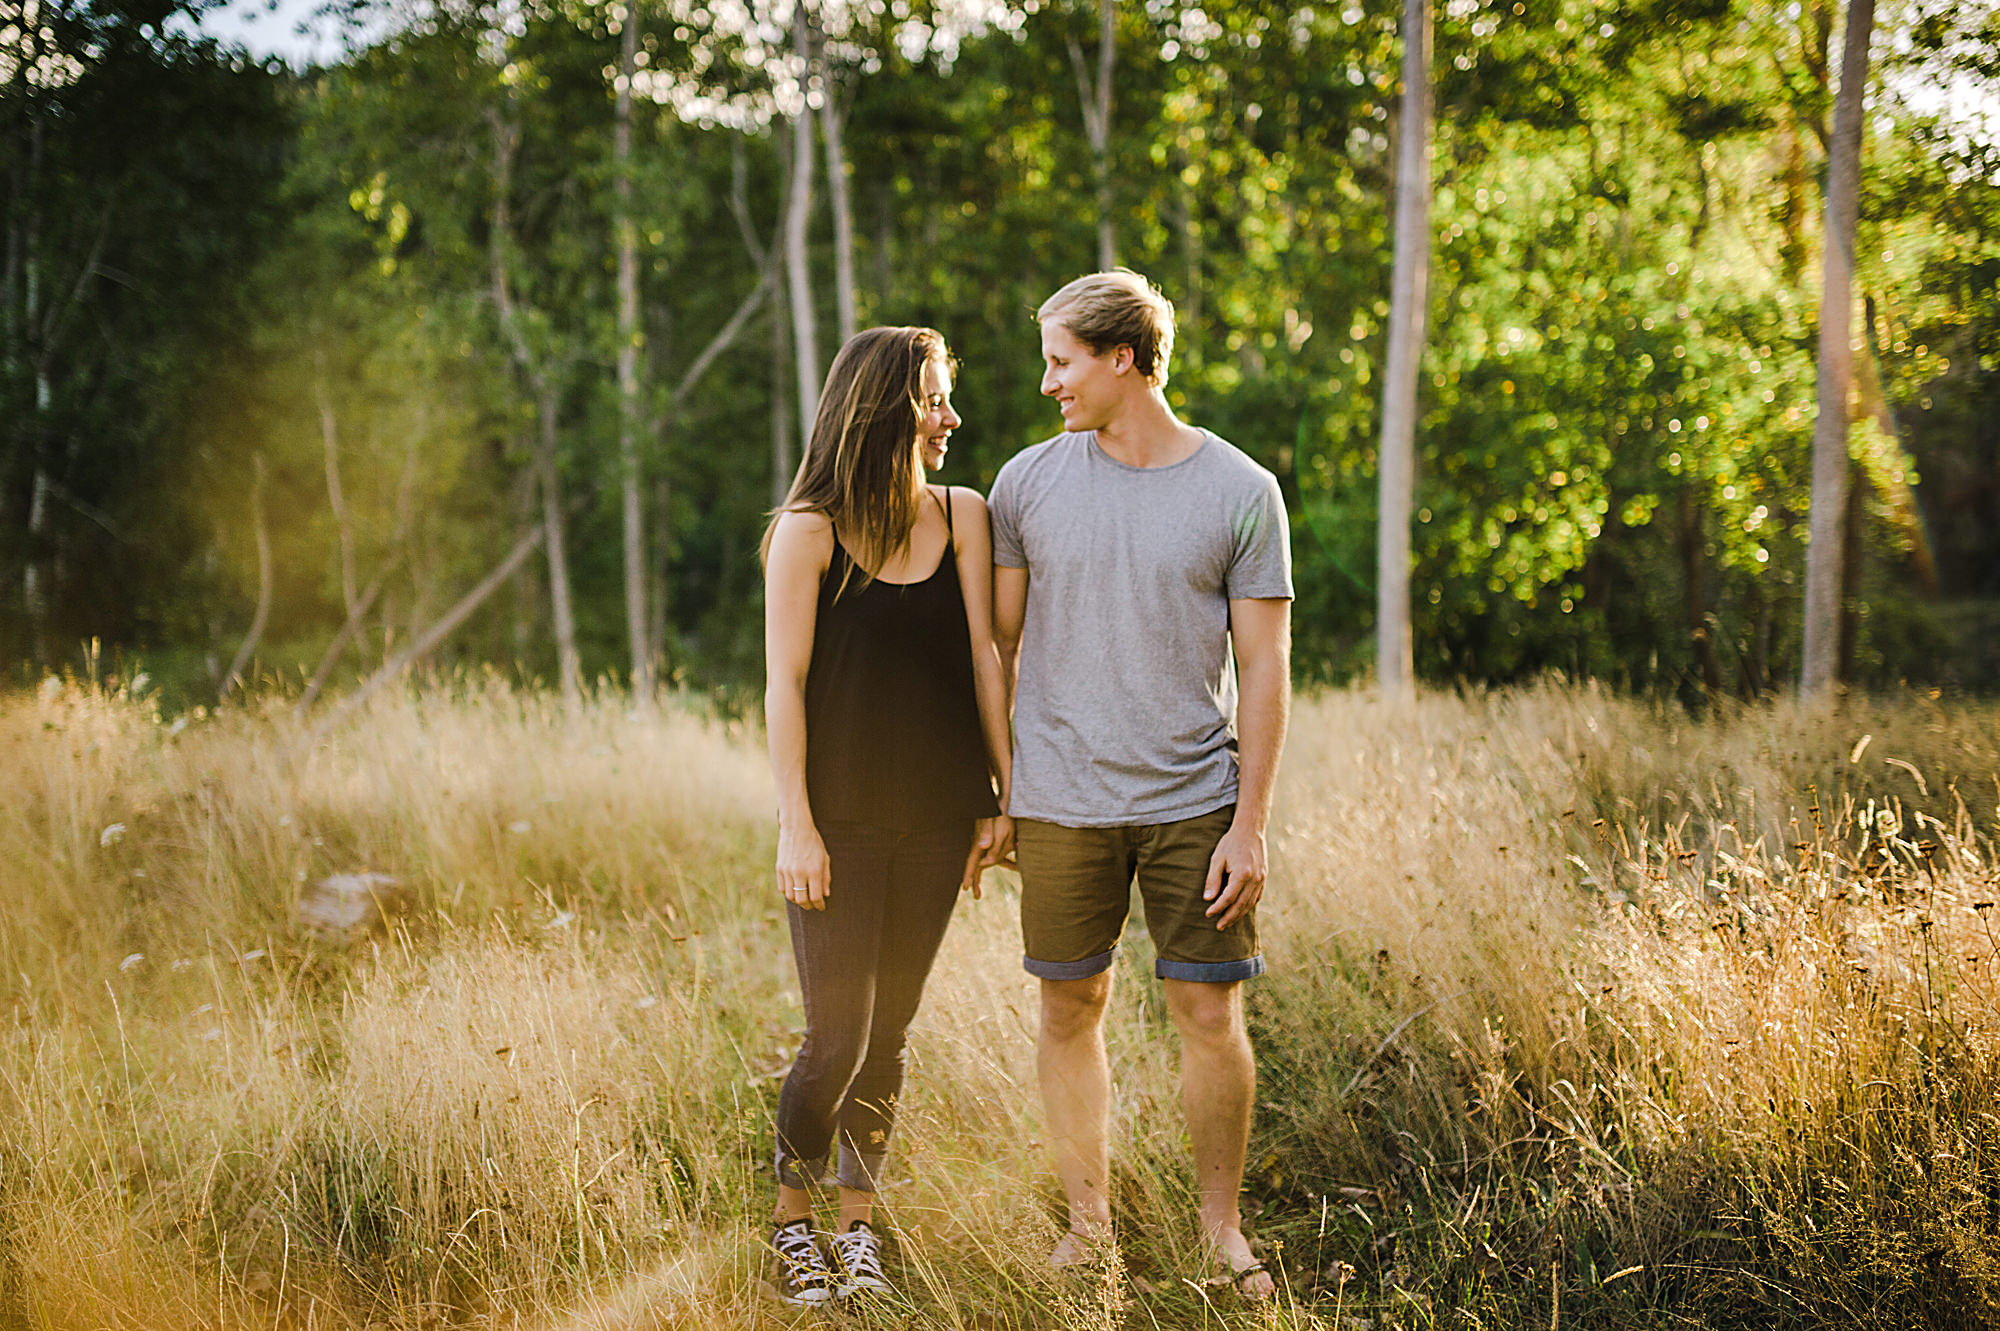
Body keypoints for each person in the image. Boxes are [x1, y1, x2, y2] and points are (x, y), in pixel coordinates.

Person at [989, 270, 1292, 1300]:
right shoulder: (1023, 484)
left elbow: (1265, 670)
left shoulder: (1241, 492)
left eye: (1059, 360)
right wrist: (997, 787)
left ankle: (1220, 1231)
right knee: (1068, 1006)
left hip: (1191, 803)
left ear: (1123, 358)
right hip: (1060, 798)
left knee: (1206, 1015)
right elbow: (996, 645)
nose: (1045, 383)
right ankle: (1088, 1227)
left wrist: (1247, 823)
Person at [761, 326, 1013, 1305]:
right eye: (935, 398)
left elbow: (988, 661)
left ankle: (856, 1227)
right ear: (886, 409)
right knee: (835, 1034)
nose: (950, 416)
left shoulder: (963, 514)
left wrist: (1006, 796)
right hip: (840, 823)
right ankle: (792, 1223)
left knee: (893, 1028)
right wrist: (797, 824)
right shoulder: (807, 531)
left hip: (938, 821)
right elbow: (783, 684)